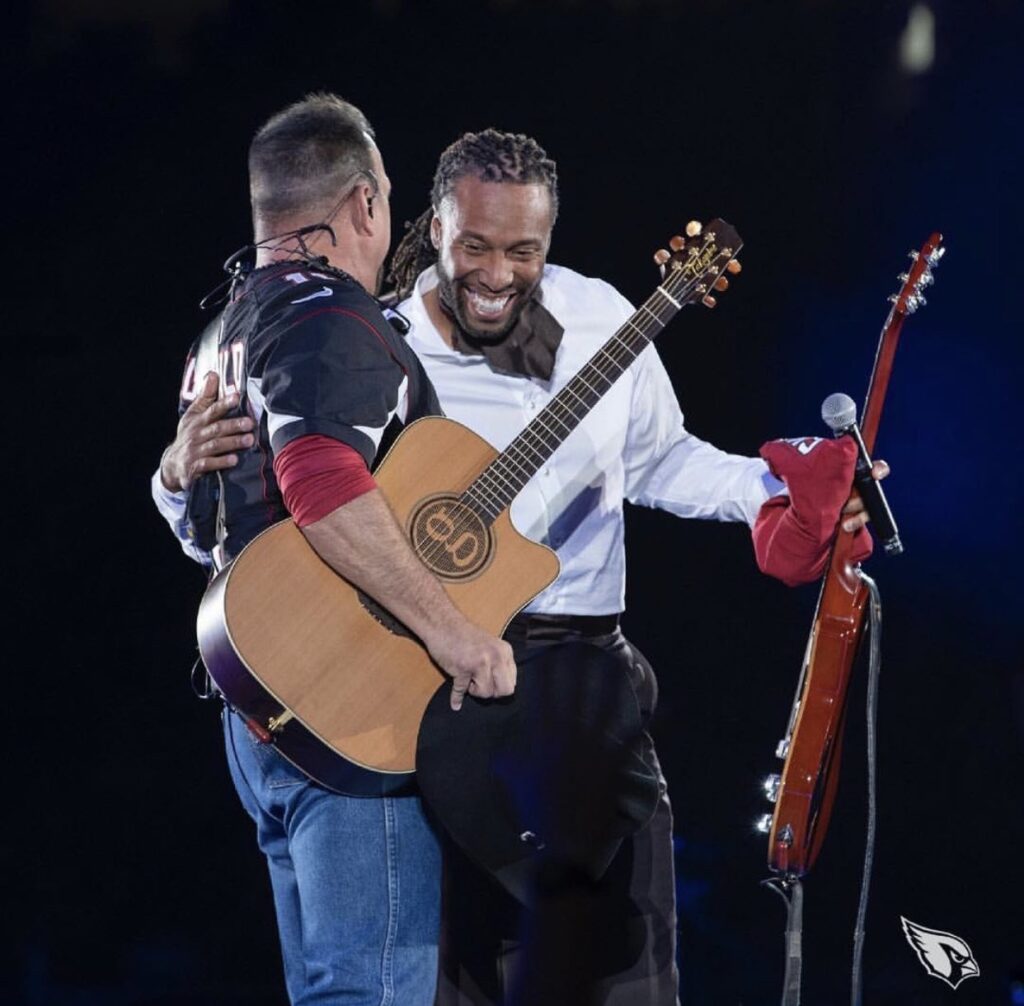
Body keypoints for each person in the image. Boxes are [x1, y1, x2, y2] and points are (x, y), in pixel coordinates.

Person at [157, 126, 884, 1005]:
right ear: (429, 227)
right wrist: (174, 474)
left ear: (549, 239)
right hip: (432, 692)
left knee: (620, 970)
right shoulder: (371, 333)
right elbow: (294, 509)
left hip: (584, 688)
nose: (496, 274)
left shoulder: (604, 318)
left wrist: (776, 490)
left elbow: (666, 460)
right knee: (448, 971)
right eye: (473, 247)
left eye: (522, 251)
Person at [152, 95, 515, 1006]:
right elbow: (320, 484)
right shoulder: (334, 319)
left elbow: (210, 529)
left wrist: (166, 475)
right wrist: (452, 634)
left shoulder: (221, 334)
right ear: (360, 204)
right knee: (371, 995)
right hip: (343, 705)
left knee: (329, 994)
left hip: (259, 714)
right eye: (387, 197)